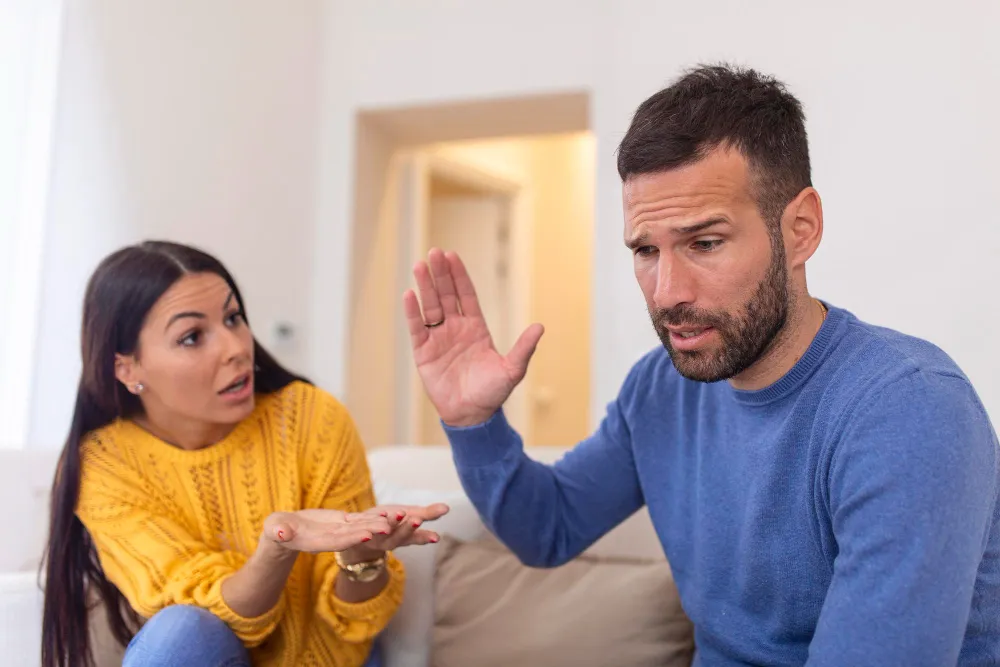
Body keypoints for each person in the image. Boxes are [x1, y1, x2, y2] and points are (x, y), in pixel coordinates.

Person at [403, 64, 1000, 666]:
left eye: (704, 243)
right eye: (645, 250)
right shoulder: (661, 387)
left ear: (800, 229)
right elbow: (548, 528)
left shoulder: (908, 409)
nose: (666, 293)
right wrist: (474, 421)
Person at [41, 241, 449, 667]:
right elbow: (203, 621)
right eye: (192, 337)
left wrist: (362, 557)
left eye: (233, 318)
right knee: (181, 631)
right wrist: (277, 547)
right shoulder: (105, 465)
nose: (236, 347)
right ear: (128, 369)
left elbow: (354, 620)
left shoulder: (310, 418)